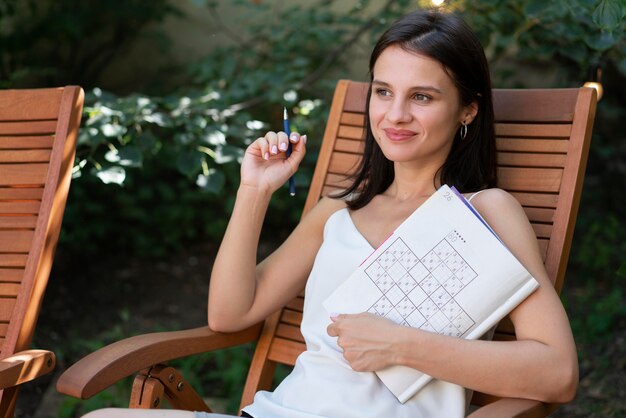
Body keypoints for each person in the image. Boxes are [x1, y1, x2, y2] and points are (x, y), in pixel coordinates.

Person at [83, 9, 578, 418]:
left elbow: (557, 374)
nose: (395, 114)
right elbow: (229, 313)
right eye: (383, 91)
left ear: (468, 109)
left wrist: (402, 346)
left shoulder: (485, 213)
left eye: (421, 96)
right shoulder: (337, 210)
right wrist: (253, 192)